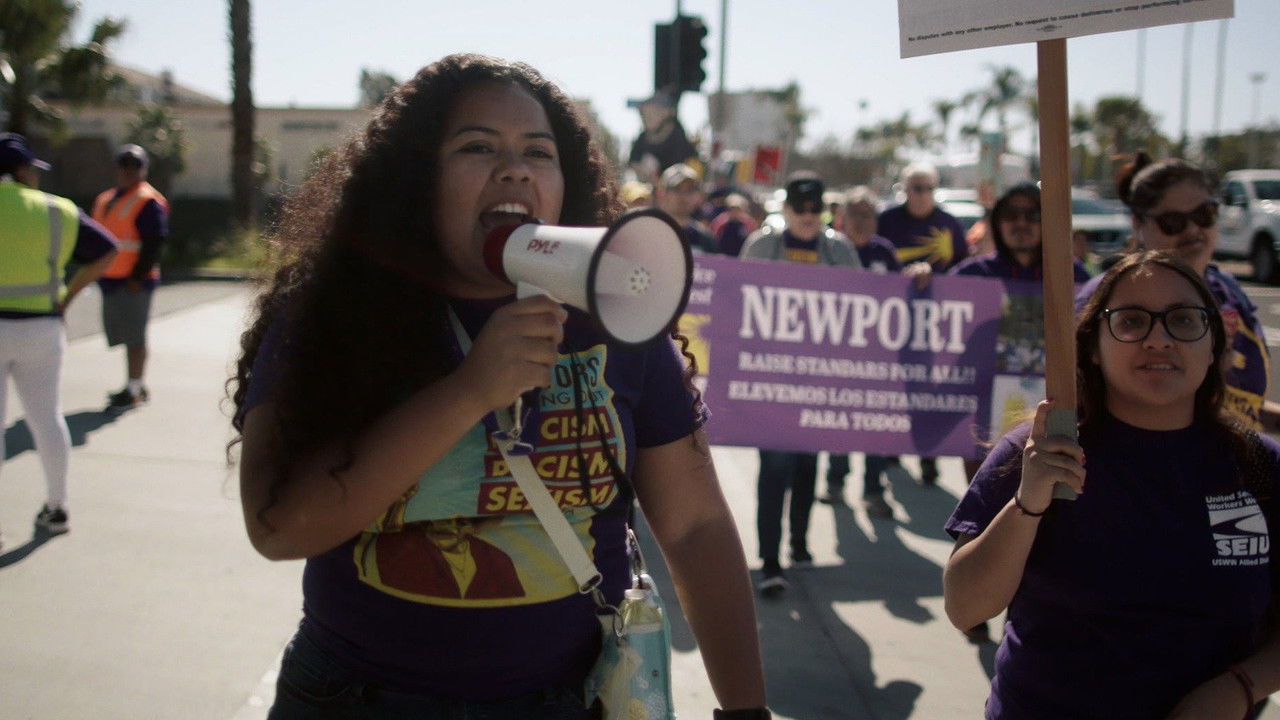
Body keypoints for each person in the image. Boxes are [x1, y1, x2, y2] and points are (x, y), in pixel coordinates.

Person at [229, 54, 768, 719]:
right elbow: (279, 526)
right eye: (477, 146)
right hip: (355, 699)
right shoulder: (335, 315)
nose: (514, 168)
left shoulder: (617, 315)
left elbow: (693, 525)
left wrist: (745, 709)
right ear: (416, 177)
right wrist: (468, 391)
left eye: (538, 153)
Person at [944, 250, 1280, 719]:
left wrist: (1237, 688)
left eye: (1183, 320)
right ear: (1094, 348)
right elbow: (966, 609)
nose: (1158, 339)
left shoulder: (1259, 465)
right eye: (1131, 321)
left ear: (1214, 347)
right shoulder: (1042, 450)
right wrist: (1028, 503)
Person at [1076, 153, 1269, 431]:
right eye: (1173, 221)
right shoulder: (1106, 298)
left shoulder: (1229, 290)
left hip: (1234, 462)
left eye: (1204, 215)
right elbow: (1077, 405)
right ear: (1138, 224)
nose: (1193, 230)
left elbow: (1242, 409)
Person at [739, 174, 861, 596]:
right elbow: (738, 304)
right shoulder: (761, 245)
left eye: (815, 210)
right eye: (800, 209)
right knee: (774, 468)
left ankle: (799, 546)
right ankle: (770, 559)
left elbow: (863, 305)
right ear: (785, 209)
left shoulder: (839, 249)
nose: (808, 217)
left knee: (808, 467)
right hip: (771, 381)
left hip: (818, 383)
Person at [0, 133, 118, 546]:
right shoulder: (56, 209)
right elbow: (107, 249)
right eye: (32, 168)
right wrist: (69, 295)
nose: (35, 175)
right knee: (46, 418)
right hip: (42, 328)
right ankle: (57, 506)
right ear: (19, 170)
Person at [876, 162, 967, 486]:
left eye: (929, 188)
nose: (923, 194)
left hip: (935, 325)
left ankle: (928, 458)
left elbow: (964, 271)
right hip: (892, 322)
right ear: (904, 189)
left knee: (925, 392)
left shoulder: (948, 223)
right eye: (917, 188)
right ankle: (890, 450)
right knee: (891, 389)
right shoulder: (887, 221)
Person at [820, 187, 901, 518]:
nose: (861, 220)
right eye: (854, 213)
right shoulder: (829, 249)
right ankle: (835, 483)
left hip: (877, 358)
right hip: (839, 355)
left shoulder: (885, 252)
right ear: (841, 219)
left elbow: (901, 297)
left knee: (875, 428)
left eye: (867, 214)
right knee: (840, 424)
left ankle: (873, 490)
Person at [91, 143, 169, 412]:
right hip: (110, 278)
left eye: (134, 165)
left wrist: (138, 275)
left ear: (143, 169)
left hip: (134, 281)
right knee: (123, 335)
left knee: (135, 337)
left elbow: (154, 241)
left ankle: (134, 389)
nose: (128, 170)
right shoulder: (106, 198)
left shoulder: (147, 200)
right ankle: (135, 383)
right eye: (124, 165)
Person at [627, 90, 697, 185]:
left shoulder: (679, 140)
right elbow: (633, 163)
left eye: (653, 112)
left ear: (667, 112)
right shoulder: (642, 139)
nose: (645, 117)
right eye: (643, 113)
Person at [656, 162, 717, 254]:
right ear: (662, 194)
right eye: (677, 189)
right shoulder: (649, 232)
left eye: (690, 191)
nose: (684, 196)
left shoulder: (705, 239)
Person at [708, 192, 757, 258]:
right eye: (732, 209)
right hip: (723, 255)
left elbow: (752, 240)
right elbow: (713, 238)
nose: (734, 212)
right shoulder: (720, 221)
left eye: (737, 209)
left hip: (742, 256)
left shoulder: (748, 222)